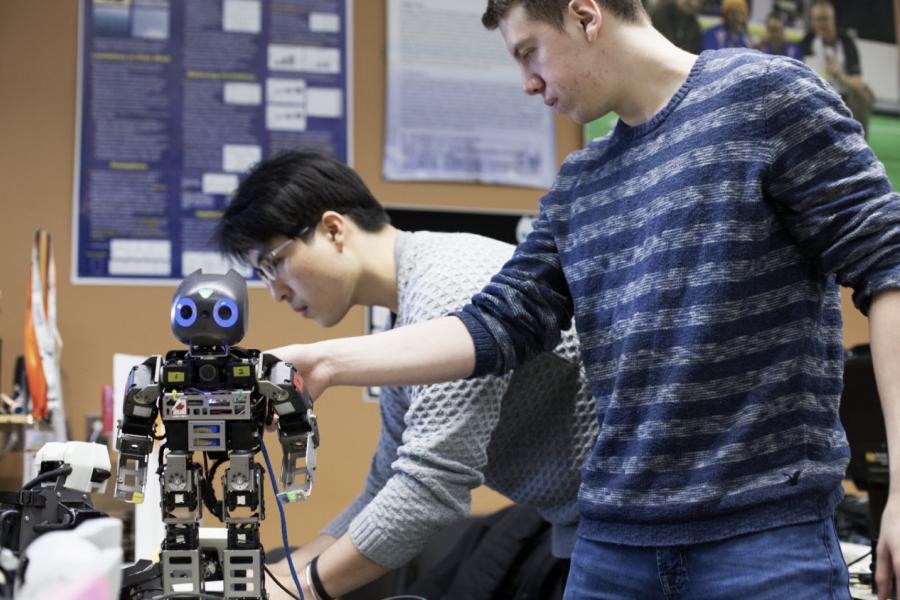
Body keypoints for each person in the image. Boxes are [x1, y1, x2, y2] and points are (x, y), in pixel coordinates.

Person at [274, 1, 900, 598]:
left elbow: (889, 266)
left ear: (584, 14)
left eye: (529, 53)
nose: (526, 82)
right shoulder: (579, 184)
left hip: (761, 537)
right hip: (612, 546)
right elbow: (496, 325)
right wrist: (327, 362)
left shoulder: (764, 97)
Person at [211, 150, 597, 599]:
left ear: (333, 229)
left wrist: (303, 589)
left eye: (272, 263)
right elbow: (382, 487)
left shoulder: (446, 286)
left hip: (633, 531)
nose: (274, 291)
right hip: (583, 532)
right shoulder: (408, 321)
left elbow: (428, 491)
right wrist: (286, 571)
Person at [802, 0, 876, 138]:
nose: (821, 24)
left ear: (833, 19)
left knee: (862, 95)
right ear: (812, 22)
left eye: (825, 19)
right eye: (817, 20)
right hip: (817, 95)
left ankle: (859, 143)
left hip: (844, 96)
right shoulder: (807, 43)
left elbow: (857, 82)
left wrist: (838, 74)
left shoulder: (847, 43)